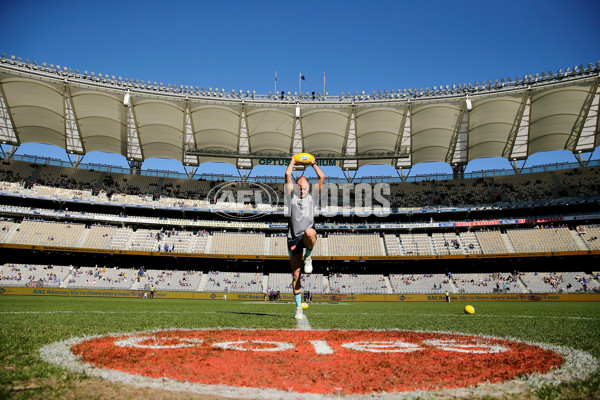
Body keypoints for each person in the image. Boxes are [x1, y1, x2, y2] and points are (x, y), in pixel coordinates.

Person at [285, 155, 325, 320]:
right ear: (296, 187)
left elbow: (322, 177)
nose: (302, 190)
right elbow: (288, 175)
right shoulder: (291, 197)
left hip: (306, 235)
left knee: (310, 232)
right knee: (296, 275)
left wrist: (313, 163)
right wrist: (293, 161)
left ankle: (308, 257)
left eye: (305, 188)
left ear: (309, 187)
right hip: (293, 239)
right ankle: (298, 307)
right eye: (300, 187)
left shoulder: (312, 197)